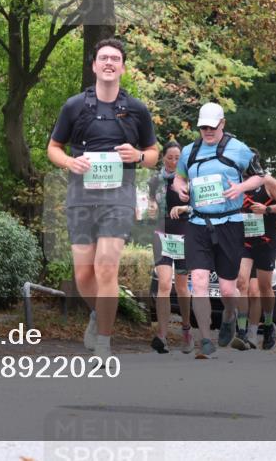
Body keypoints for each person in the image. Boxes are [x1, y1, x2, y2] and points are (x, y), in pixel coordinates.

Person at [48, 39, 159, 362]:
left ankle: (104, 343)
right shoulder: (74, 106)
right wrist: (69, 162)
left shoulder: (137, 109)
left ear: (123, 67)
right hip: (81, 197)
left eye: (116, 58)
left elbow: (153, 154)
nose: (109, 63)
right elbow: (53, 148)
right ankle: (100, 315)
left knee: (107, 266)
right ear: (94, 65)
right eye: (103, 58)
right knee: (84, 276)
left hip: (118, 197)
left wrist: (138, 155)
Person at [172, 102, 262, 359]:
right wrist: (180, 189)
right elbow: (179, 177)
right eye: (203, 127)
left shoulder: (239, 149)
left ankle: (229, 315)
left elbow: (259, 176)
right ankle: (205, 339)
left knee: (226, 289)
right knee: (198, 281)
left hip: (229, 224)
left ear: (222, 124)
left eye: (212, 127)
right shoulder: (189, 151)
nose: (208, 131)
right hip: (198, 223)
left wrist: (240, 188)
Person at [232, 150, 276, 351]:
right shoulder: (236, 183)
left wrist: (267, 209)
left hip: (266, 241)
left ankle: (268, 326)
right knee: (241, 282)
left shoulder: (268, 182)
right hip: (245, 242)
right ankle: (241, 330)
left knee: (265, 287)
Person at [147, 141, 194, 354]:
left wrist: (185, 207)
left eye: (177, 158)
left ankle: (186, 329)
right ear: (163, 158)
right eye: (170, 157)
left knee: (182, 287)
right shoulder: (155, 180)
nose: (174, 161)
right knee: (164, 285)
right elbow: (149, 201)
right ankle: (162, 336)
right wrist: (151, 207)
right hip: (161, 235)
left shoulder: (188, 180)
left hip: (184, 235)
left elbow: (200, 206)